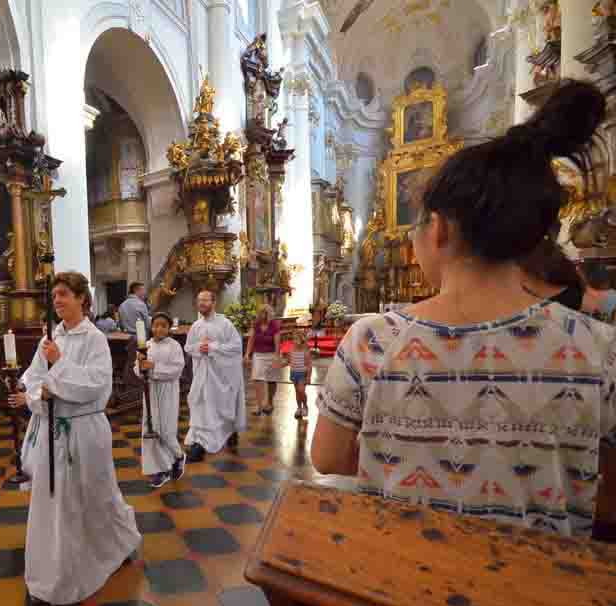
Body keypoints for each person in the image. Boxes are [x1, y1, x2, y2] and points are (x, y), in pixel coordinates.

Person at [312, 79, 613, 537]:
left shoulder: (374, 341)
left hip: (398, 586)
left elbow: (328, 457)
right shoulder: (600, 348)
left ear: (437, 230)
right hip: (542, 598)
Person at [8, 271, 141, 606]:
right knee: (57, 505)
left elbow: (97, 386)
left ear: (82, 298)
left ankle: (118, 543)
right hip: (53, 431)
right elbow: (35, 377)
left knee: (96, 496)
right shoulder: (50, 339)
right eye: (54, 296)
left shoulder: (94, 339)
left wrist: (58, 369)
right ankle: (56, 578)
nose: (57, 301)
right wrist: (31, 393)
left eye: (64, 294)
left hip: (84, 431)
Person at [184, 289, 246, 462]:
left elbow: (236, 347)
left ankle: (228, 432)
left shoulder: (224, 324)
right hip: (202, 376)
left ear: (214, 302)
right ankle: (200, 445)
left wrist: (213, 348)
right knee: (202, 407)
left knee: (219, 407)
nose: (201, 303)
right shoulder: (196, 326)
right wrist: (199, 348)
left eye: (205, 300)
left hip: (220, 376)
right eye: (199, 300)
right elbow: (188, 347)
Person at [135, 311, 186, 488]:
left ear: (168, 327)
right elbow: (137, 370)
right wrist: (141, 365)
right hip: (149, 391)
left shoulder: (174, 346)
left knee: (166, 430)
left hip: (167, 390)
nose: (159, 329)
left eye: (163, 325)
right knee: (151, 429)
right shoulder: (145, 345)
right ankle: (160, 469)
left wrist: (153, 367)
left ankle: (178, 456)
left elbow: (177, 369)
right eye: (156, 325)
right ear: (151, 327)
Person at [244, 304, 283, 416]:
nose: (262, 315)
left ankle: (270, 402)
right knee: (256, 378)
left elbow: (277, 341)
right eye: (260, 313)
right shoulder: (256, 324)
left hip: (271, 354)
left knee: (272, 379)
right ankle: (259, 405)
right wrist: (247, 354)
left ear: (268, 314)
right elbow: (251, 339)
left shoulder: (274, 325)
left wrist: (276, 356)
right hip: (258, 355)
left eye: (264, 313)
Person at [283, 330, 311, 419]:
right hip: (294, 373)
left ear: (302, 341)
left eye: (297, 339)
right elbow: (287, 361)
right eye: (294, 339)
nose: (295, 341)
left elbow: (309, 365)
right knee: (297, 392)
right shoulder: (291, 350)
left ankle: (305, 406)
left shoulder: (305, 352)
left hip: (302, 374)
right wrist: (279, 365)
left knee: (301, 390)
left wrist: (308, 377)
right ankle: (299, 408)